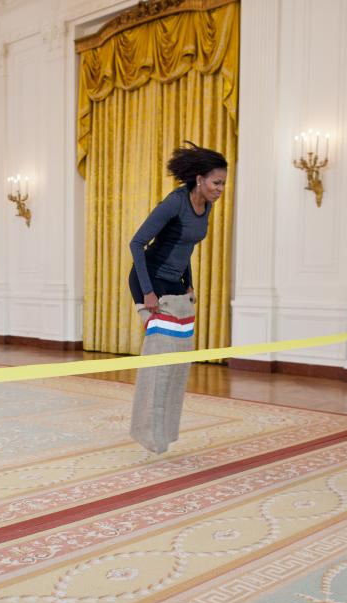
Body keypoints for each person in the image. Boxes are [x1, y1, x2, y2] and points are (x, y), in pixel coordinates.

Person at [127, 142, 228, 453]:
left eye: (223, 183)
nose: (220, 189)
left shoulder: (206, 206)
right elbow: (136, 244)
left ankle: (164, 434)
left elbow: (186, 248)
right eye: (216, 182)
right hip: (150, 281)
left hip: (174, 285)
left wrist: (189, 283)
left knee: (178, 362)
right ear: (199, 179)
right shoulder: (175, 203)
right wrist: (148, 293)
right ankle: (147, 434)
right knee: (159, 362)